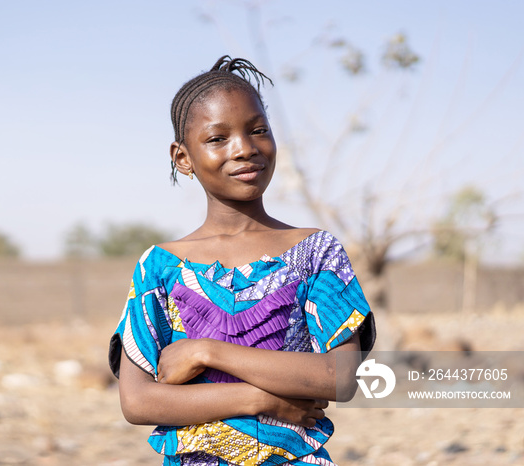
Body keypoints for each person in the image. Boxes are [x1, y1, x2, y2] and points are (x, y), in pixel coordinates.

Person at [108, 56, 376, 466]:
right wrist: (257, 398)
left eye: (258, 131)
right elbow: (139, 400)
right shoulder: (159, 266)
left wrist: (205, 352)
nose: (245, 149)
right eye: (218, 138)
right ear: (183, 158)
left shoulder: (316, 252)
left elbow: (340, 377)